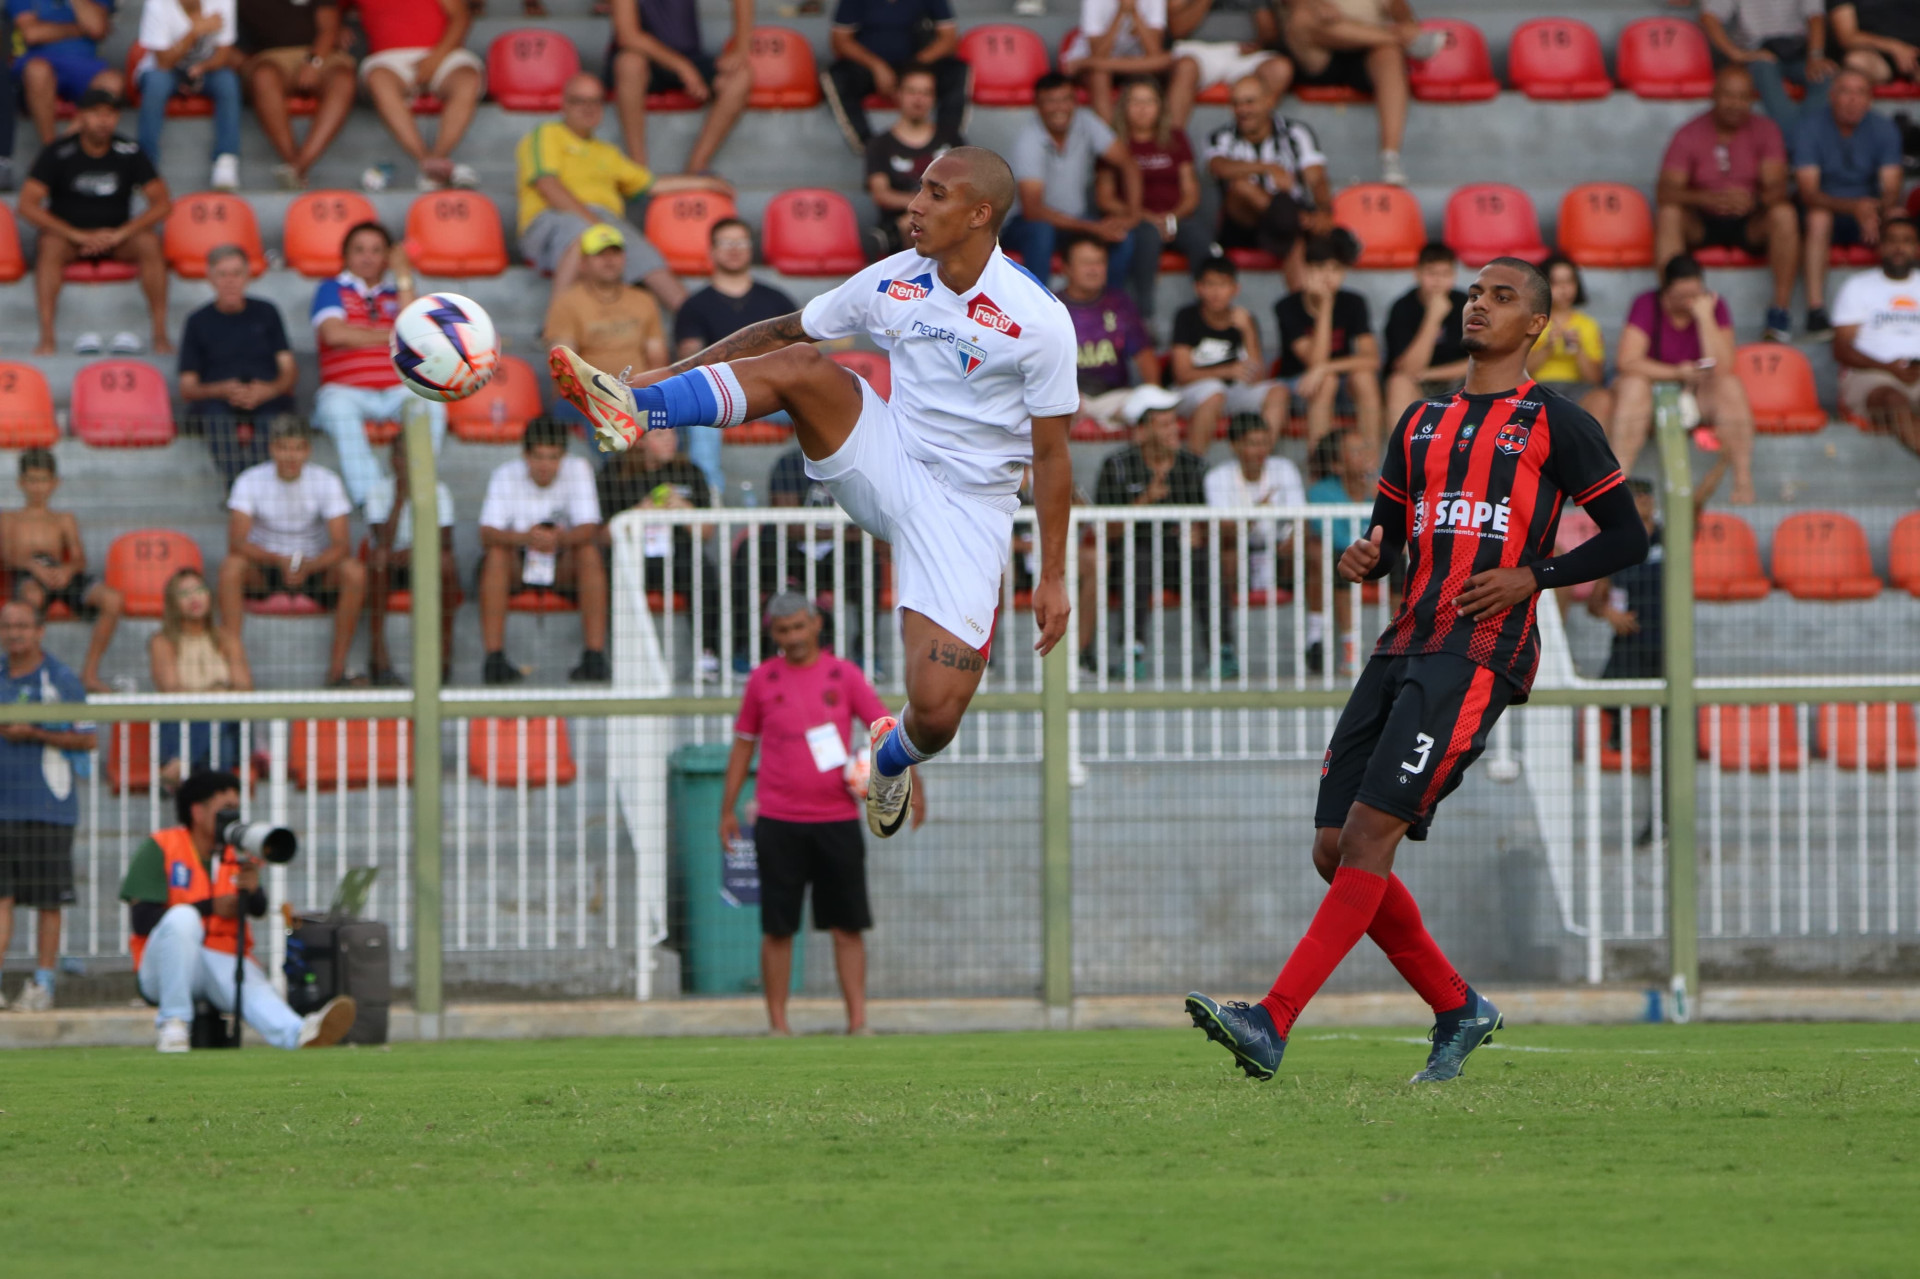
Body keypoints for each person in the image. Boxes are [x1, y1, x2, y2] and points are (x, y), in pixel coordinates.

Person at [1184, 257, 1649, 1084]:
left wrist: (1532, 575)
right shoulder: (1419, 421)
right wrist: (1368, 555)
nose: (1479, 305)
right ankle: (1457, 1004)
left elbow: (1626, 535)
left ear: (1536, 323)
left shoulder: (1557, 422)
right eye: (1475, 293)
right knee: (1335, 847)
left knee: (1368, 836)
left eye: (1502, 297)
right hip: (1403, 640)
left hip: (1478, 652)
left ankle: (1272, 1019)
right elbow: (1389, 537)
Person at [549, 145, 1080, 842]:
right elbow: (778, 332)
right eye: (918, 188)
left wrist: (1054, 574)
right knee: (802, 364)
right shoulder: (897, 278)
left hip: (970, 513)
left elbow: (1052, 453)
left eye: (935, 193)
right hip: (887, 456)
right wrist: (642, 387)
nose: (914, 204)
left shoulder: (1039, 321)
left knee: (938, 713)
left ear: (981, 214)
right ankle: (635, 410)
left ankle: (889, 756)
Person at [721, 593, 923, 1036]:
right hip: (777, 819)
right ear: (772, 633)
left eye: (798, 627)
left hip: (836, 821)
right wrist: (727, 809)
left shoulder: (844, 675)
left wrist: (914, 789)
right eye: (782, 630)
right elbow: (743, 743)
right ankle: (778, 1026)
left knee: (847, 926)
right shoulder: (761, 680)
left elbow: (887, 732)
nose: (792, 637)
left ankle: (858, 1023)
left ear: (816, 626)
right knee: (777, 928)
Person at [119, 769, 357, 1052]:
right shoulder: (161, 846)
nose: (233, 817)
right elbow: (141, 920)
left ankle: (299, 1033)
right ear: (197, 811)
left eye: (236, 808)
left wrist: (253, 890)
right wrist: (210, 907)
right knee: (183, 918)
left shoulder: (237, 851)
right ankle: (174, 1024)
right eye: (226, 809)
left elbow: (258, 909)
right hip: (163, 972)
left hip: (223, 963)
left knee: (242, 977)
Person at [517, 73, 727, 314]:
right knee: (581, 235)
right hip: (551, 219)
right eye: (579, 101)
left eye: (595, 101)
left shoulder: (607, 152)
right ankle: (554, 331)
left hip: (605, 222)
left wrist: (704, 183)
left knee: (653, 265)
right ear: (563, 104)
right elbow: (548, 185)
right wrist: (596, 226)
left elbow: (650, 184)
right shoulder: (545, 134)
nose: (588, 108)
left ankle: (711, 338)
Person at [19, 88, 172, 357]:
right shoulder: (58, 152)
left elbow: (162, 203)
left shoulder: (129, 151)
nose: (104, 121)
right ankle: (47, 337)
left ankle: (159, 334)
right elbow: (27, 205)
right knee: (50, 245)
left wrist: (121, 233)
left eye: (111, 114)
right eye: (96, 113)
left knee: (148, 242)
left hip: (117, 238)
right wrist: (76, 235)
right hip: (69, 239)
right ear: (81, 117)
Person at [1655, 64, 1799, 342]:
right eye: (1728, 95)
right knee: (1670, 214)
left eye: (1742, 97)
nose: (1735, 104)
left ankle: (1779, 312)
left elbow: (1778, 188)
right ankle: (1669, 307)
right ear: (1714, 95)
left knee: (1784, 214)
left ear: (1752, 99)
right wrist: (1705, 198)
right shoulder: (1689, 133)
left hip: (1751, 221)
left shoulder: (1766, 130)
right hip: (1702, 221)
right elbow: (1665, 192)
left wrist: (1752, 200)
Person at [219, 420, 367, 687]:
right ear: (272, 449)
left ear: (307, 450)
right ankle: (233, 666)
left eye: (297, 448)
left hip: (315, 566)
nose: (290, 456)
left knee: (354, 572)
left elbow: (342, 545)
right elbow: (237, 543)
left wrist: (308, 566)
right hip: (265, 567)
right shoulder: (250, 480)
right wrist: (279, 561)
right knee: (231, 567)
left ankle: (337, 669)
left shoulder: (326, 481)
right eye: (284, 448)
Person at [0, 599, 95, 1013]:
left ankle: (43, 984)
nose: (14, 633)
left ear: (40, 631)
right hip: (3, 807)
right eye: (7, 626)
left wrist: (35, 732)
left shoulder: (60, 679)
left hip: (46, 806)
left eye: (22, 626)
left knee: (47, 899)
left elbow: (88, 737)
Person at [310, 220, 445, 505]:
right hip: (346, 391)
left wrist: (403, 274)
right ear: (345, 255)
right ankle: (373, 503)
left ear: (387, 256)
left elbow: (416, 335)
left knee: (433, 400)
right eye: (359, 250)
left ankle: (414, 487)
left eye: (376, 250)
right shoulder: (330, 288)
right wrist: (393, 334)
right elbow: (334, 333)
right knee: (337, 409)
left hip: (398, 389)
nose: (368, 257)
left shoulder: (397, 291)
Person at [1611, 254, 1757, 502]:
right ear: (1666, 291)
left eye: (1695, 295)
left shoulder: (1713, 306)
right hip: (1653, 391)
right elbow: (1627, 361)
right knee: (1633, 385)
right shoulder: (1647, 304)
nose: (1690, 302)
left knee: (1730, 386)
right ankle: (1615, 484)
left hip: (1698, 392)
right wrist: (1677, 372)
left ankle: (1742, 481)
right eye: (1682, 297)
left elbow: (1723, 366)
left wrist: (1705, 318)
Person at [1093, 386, 1218, 675]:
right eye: (1164, 424)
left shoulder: (1193, 466)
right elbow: (1106, 532)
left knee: (1207, 562)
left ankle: (1222, 650)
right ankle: (1132, 650)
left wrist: (1202, 533)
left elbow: (1207, 523)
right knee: (1137, 559)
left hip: (1180, 556)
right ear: (1143, 431)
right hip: (1131, 557)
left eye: (1175, 421)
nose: (1175, 430)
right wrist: (1145, 500)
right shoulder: (1117, 466)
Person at [477, 416, 609, 685]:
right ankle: (494, 657)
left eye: (553, 457)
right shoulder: (505, 474)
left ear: (563, 456)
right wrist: (526, 537)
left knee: (589, 554)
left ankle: (594, 654)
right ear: (525, 455)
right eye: (538, 457)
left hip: (563, 559)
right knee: (496, 556)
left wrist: (559, 540)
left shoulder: (579, 469)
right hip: (521, 558)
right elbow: (486, 533)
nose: (545, 465)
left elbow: (589, 528)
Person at [1001, 72, 1148, 297]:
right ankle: (1037, 312)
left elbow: (1128, 163)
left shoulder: (1086, 121)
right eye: (1051, 101)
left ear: (1075, 102)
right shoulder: (1028, 140)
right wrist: (1094, 228)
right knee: (1042, 232)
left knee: (1123, 236)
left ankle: (1109, 309)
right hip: (1024, 224)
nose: (1059, 107)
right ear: (1038, 106)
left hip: (1074, 221)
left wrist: (1133, 215)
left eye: (1065, 99)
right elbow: (1033, 211)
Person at [729, 446, 874, 668]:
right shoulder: (790, 463)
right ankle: (743, 647)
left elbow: (874, 522)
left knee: (869, 559)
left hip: (838, 554)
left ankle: (867, 652)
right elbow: (788, 525)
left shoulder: (861, 461)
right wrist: (845, 532)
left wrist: (848, 535)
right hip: (793, 552)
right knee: (749, 551)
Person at [598, 423, 721, 680]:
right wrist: (640, 513)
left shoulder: (689, 471)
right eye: (661, 435)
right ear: (640, 441)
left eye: (674, 434)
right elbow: (603, 537)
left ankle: (708, 655)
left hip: (678, 556)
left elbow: (707, 533)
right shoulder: (614, 473)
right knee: (609, 572)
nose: (671, 441)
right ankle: (621, 658)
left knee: (703, 570)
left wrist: (683, 509)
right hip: (633, 557)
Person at [1276, 0, 1442, 186]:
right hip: (1317, 55)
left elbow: (1408, 23)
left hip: (1369, 52)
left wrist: (1398, 10)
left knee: (1389, 54)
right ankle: (1397, 40)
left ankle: (1390, 157)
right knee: (1302, 19)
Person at [2, 448, 124, 692]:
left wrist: (68, 570)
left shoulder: (63, 519)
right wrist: (31, 566)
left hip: (60, 574)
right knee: (31, 598)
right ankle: (31, 672)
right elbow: (6, 557)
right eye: (32, 480)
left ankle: (89, 673)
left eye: (44, 480)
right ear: (21, 483)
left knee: (113, 599)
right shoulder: (9, 519)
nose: (38, 487)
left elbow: (79, 558)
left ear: (55, 483)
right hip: (30, 575)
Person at [1794, 67, 1903, 339]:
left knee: (1897, 217)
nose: (1853, 100)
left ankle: (1897, 307)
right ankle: (1816, 311)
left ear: (1870, 99)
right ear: (1831, 96)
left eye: (1860, 93)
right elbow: (1808, 193)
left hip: (1868, 213)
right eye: (1845, 92)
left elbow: (1891, 188)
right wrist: (1854, 207)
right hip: (1828, 210)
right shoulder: (1810, 127)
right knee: (1818, 217)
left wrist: (1873, 209)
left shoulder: (1884, 127)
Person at [541, 222, 670, 449]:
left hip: (637, 395)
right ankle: (613, 479)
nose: (610, 260)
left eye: (615, 253)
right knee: (606, 426)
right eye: (600, 254)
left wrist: (649, 401)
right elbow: (564, 369)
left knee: (682, 415)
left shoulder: (644, 300)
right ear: (583, 263)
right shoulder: (567, 303)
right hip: (587, 399)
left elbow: (657, 359)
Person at [179, 244, 298, 484]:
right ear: (210, 278)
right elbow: (187, 387)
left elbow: (289, 369)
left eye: (236, 273)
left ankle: (244, 490)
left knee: (272, 422)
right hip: (217, 400)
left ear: (248, 276)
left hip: (268, 397)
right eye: (222, 274)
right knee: (217, 421)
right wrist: (221, 390)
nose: (230, 281)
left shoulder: (267, 312)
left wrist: (269, 390)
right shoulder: (197, 321)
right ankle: (241, 488)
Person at [1096, 75, 1214, 318]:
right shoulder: (1112, 141)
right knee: (1147, 238)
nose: (1142, 109)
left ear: (1160, 107)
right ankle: (1143, 317)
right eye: (1135, 102)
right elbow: (1104, 197)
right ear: (1124, 106)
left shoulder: (1176, 138)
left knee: (1201, 239)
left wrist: (1170, 218)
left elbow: (1191, 193)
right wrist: (1147, 217)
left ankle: (1207, 313)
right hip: (1136, 220)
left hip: (1176, 219)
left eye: (1149, 102)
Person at [1202, 73, 1331, 284]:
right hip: (1243, 224)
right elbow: (1219, 167)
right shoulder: (1220, 136)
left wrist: (1324, 211)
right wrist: (1267, 168)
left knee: (1289, 231)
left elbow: (1317, 179)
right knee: (1242, 187)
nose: (1242, 110)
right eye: (1236, 103)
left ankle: (1300, 308)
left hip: (1288, 219)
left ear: (1269, 100)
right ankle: (1295, 221)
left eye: (1249, 102)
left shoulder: (1297, 133)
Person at [344, 0, 484, 191]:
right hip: (387, 59)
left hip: (442, 53)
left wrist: (435, 59)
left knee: (467, 80)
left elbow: (461, 18)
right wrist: (336, 29)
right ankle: (426, 161)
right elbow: (328, 10)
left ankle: (438, 156)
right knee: (378, 79)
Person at [1205, 412, 1304, 677]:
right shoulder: (1217, 477)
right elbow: (1223, 531)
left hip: (1280, 550)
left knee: (1310, 552)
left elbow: (1300, 520)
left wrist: (1292, 541)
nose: (1260, 450)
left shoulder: (1284, 468)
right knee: (1223, 558)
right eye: (1252, 443)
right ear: (1235, 446)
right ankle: (1224, 646)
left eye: (1264, 442)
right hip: (1239, 550)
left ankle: (1314, 641)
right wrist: (1254, 514)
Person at [605, 0, 752, 175]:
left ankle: (697, 165)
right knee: (629, 63)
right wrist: (681, 66)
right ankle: (639, 172)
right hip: (644, 58)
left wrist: (741, 47)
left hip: (689, 56)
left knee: (741, 76)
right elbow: (628, 36)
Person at [1273, 231, 1382, 447]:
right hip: (1299, 384)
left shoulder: (1354, 302)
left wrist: (1325, 368)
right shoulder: (1287, 307)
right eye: (1320, 268)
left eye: (1335, 269)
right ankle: (1319, 469)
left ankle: (1370, 467)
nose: (1327, 276)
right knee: (1326, 382)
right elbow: (1313, 362)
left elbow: (1371, 359)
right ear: (1306, 270)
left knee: (1363, 377)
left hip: (1335, 380)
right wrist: (1325, 308)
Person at [1170, 254, 1286, 455]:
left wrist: (1248, 331)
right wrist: (1227, 371)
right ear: (1198, 288)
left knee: (1278, 391)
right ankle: (1193, 468)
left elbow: (1257, 378)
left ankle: (1261, 460)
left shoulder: (1245, 319)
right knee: (1214, 392)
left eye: (1223, 285)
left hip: (1231, 394)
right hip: (1190, 394)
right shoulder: (1186, 317)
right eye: (1210, 284)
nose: (1216, 292)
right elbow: (1182, 375)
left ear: (1235, 289)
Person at [148, 567, 252, 790]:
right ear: (173, 603)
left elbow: (244, 689)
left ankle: (179, 765)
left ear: (209, 595)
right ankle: (217, 810)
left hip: (229, 723)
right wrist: (216, 693)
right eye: (184, 593)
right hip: (180, 726)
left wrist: (210, 697)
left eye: (199, 590)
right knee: (219, 743)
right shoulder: (162, 641)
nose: (194, 598)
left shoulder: (227, 638)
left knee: (220, 720)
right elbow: (171, 692)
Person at [364, 441, 458, 685]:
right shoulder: (378, 490)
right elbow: (380, 540)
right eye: (400, 457)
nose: (406, 464)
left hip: (425, 562)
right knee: (379, 560)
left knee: (446, 563)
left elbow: (446, 540)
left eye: (412, 457)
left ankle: (443, 652)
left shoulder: (438, 490)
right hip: (390, 566)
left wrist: (418, 551)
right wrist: (399, 499)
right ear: (391, 460)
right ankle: (378, 652)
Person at [239, 0, 356, 190]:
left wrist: (314, 61)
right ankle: (294, 163)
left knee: (343, 79)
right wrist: (245, 65)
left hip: (319, 53)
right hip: (270, 58)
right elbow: (225, 39)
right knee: (263, 76)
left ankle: (298, 167)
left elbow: (328, 27)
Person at [822, 0, 967, 152]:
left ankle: (948, 145)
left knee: (957, 70)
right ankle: (871, 148)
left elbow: (949, 39)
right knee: (835, 74)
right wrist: (877, 66)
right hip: (869, 67)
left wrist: (912, 69)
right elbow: (840, 41)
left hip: (918, 64)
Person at [1832, 215, 1920, 455]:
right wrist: (1889, 367)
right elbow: (1841, 349)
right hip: (1872, 375)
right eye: (1891, 240)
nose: (1899, 247)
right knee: (1894, 401)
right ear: (1880, 246)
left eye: (1907, 241)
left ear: (1917, 247)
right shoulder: (1858, 286)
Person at [134, 0, 242, 188]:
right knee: (156, 83)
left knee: (228, 81)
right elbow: (163, 63)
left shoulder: (223, 2)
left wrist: (200, 70)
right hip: (164, 71)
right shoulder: (157, 4)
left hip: (205, 70)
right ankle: (146, 165)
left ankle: (226, 160)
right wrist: (194, 31)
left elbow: (224, 54)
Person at [1060, 235, 1159, 430]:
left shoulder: (1120, 303)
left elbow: (1143, 354)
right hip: (1069, 399)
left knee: (1149, 407)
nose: (1094, 269)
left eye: (1100, 263)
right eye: (1087, 263)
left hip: (1115, 398)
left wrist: (1152, 395)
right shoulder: (1052, 306)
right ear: (1066, 268)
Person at [863, 65, 960, 261]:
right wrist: (921, 210)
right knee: (908, 226)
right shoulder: (879, 144)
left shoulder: (952, 139)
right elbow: (881, 194)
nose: (919, 99)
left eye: (926, 93)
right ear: (898, 95)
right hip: (899, 226)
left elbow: (965, 187)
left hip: (946, 219)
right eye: (912, 91)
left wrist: (930, 211)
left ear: (934, 99)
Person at [1305, 424, 1379, 674]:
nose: (1366, 455)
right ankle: (1350, 651)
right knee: (1341, 563)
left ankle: (1400, 639)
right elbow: (1335, 539)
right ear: (1337, 465)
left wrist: (1380, 500)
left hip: (1384, 558)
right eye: (1355, 451)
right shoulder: (1320, 493)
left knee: (1405, 565)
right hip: (1348, 560)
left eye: (1365, 448)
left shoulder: (1383, 487)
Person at [1699, 1, 1834, 131]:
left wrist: (1816, 56)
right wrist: (1737, 54)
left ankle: (1802, 142)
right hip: (1756, 53)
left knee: (1824, 75)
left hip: (1797, 52)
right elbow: (1709, 17)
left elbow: (1815, 16)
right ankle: (1801, 144)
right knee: (1764, 69)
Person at [9, 0, 122, 147]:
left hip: (85, 66)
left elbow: (97, 28)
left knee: (113, 81)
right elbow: (32, 34)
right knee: (37, 71)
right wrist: (79, 29)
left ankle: (64, 145)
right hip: (38, 62)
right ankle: (49, 149)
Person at [1164, 0, 1292, 129]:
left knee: (1279, 69)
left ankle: (1255, 137)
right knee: (1185, 67)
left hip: (1241, 52)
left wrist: (1259, 44)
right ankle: (1172, 142)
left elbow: (1270, 35)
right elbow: (1177, 30)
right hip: (1199, 51)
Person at [1585, 480, 1664, 683]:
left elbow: (1696, 505)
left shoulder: (1670, 537)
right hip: (1631, 640)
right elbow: (1594, 603)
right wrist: (1609, 613)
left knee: (1678, 707)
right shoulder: (1615, 545)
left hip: (1669, 639)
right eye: (1637, 496)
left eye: (1647, 494)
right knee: (1609, 700)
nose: (1644, 500)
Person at [1383, 242, 1467, 425]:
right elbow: (1408, 369)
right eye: (1431, 273)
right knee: (1398, 383)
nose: (1438, 281)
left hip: (1458, 383)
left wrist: (1429, 374)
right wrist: (1433, 318)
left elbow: (1481, 362)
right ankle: (1401, 453)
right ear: (1417, 274)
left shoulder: (1466, 305)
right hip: (1418, 385)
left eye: (1445, 274)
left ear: (1454, 276)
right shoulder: (1403, 307)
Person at [1526, 254, 1615, 427]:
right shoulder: (1529, 322)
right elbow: (1516, 371)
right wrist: (1547, 348)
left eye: (1569, 282)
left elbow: (1595, 379)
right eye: (1556, 282)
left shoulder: (1588, 325)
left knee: (1602, 398)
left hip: (1578, 390)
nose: (1564, 289)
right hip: (1537, 389)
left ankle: (1595, 454)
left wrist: (1579, 350)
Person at [1062, 0, 1171, 120]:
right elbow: (1099, 53)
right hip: (1116, 65)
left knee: (1166, 62)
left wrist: (1134, 12)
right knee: (1099, 74)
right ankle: (1110, 136)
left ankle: (1088, 63)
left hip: (1127, 63)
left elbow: (1154, 51)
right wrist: (1120, 13)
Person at [1831, 2, 1920, 93]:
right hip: (1876, 54)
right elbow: (1847, 37)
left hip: (1916, 51)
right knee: (1856, 61)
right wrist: (1895, 48)